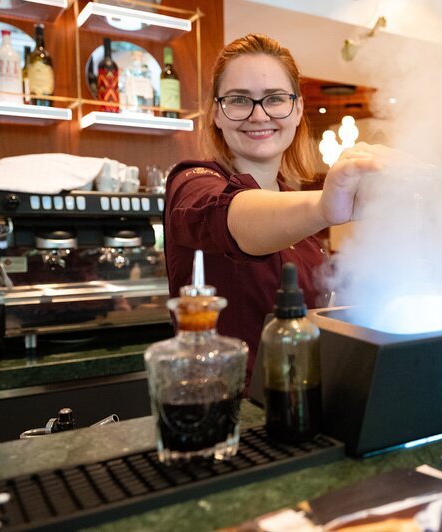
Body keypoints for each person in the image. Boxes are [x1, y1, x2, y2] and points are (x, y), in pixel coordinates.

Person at [164, 34, 396, 390]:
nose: (259, 115)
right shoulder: (192, 183)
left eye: (275, 99)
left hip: (303, 399)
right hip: (229, 410)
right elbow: (233, 217)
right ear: (216, 112)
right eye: (239, 100)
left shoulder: (293, 201)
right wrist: (324, 205)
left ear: (298, 108)